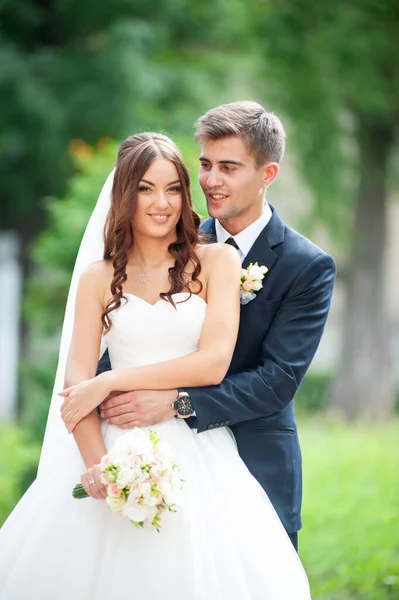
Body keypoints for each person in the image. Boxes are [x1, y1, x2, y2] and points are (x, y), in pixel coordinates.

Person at [0, 132, 311, 599]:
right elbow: (75, 380)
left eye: (173, 188)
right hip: (111, 444)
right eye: (146, 188)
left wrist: (112, 380)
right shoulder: (98, 277)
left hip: (197, 448)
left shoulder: (215, 262)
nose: (161, 202)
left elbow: (212, 364)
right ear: (125, 194)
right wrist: (97, 465)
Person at [98, 101, 337, 550]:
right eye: (205, 164)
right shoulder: (174, 241)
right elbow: (131, 329)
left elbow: (277, 380)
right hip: (156, 459)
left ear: (268, 174)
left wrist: (177, 404)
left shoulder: (307, 266)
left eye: (229, 167)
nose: (210, 180)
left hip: (254, 459)